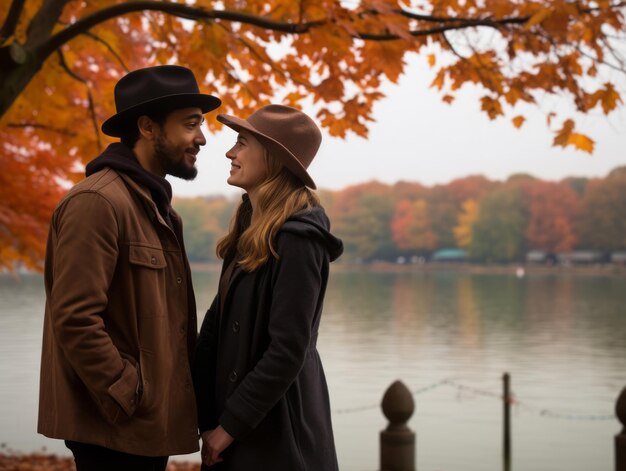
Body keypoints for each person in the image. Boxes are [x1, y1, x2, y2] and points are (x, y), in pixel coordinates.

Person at [37, 65, 221, 471]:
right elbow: (74, 317)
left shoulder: (156, 207)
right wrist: (128, 392)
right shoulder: (98, 203)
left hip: (143, 424)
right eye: (191, 124)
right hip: (113, 425)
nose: (202, 138)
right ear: (148, 127)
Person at [193, 104, 343, 470]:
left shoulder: (300, 240)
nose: (230, 153)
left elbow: (288, 349)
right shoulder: (250, 228)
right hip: (240, 429)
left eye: (241, 143)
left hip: (279, 437)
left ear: (273, 158)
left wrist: (229, 427)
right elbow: (216, 324)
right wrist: (200, 412)